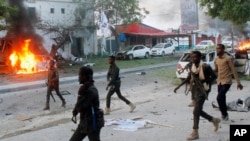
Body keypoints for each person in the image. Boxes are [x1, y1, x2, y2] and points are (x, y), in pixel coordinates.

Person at [174, 51, 220, 140]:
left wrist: (205, 81)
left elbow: (214, 77)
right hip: (195, 90)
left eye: (195, 57)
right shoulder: (192, 66)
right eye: (192, 57)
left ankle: (195, 132)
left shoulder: (205, 66)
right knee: (198, 110)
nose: (193, 59)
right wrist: (178, 86)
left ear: (199, 57)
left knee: (196, 111)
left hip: (204, 90)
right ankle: (214, 120)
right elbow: (188, 77)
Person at [70, 66, 102, 141]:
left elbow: (81, 107)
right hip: (84, 123)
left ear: (85, 76)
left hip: (92, 123)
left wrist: (80, 94)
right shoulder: (85, 88)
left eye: (80, 75)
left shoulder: (91, 90)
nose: (79, 78)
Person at [214, 44, 243, 121]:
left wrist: (238, 82)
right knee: (222, 98)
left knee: (219, 97)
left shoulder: (228, 58)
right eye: (216, 48)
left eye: (219, 48)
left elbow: (233, 70)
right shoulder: (216, 59)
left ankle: (224, 114)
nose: (217, 50)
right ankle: (224, 115)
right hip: (219, 81)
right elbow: (216, 70)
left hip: (227, 81)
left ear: (223, 49)